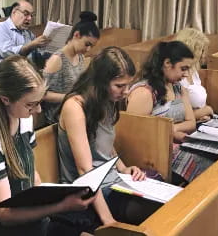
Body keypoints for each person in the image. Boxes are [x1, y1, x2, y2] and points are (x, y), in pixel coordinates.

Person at [0, 55, 96, 236]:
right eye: (30, 104)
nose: (38, 111)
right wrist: (61, 205)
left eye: (39, 102)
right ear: (5, 99)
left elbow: (33, 176)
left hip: (34, 225)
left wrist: (56, 197)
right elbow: (5, 215)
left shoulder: (23, 120)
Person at [58, 47, 159, 231]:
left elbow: (107, 148)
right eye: (120, 86)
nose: (126, 92)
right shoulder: (75, 106)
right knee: (153, 213)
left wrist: (124, 168)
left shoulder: (107, 101)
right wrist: (108, 221)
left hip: (112, 184)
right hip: (89, 194)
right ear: (100, 82)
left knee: (165, 203)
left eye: (128, 85)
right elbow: (85, 170)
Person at [126, 41, 214, 183]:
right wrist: (170, 132)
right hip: (155, 154)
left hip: (175, 142)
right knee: (205, 164)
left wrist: (171, 129)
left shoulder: (178, 88)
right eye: (183, 68)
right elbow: (135, 135)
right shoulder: (144, 92)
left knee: (215, 155)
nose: (186, 74)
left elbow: (191, 123)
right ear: (167, 63)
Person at [42, 11, 100, 124]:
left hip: (75, 109)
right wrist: (71, 97)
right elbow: (42, 94)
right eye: (87, 44)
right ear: (76, 35)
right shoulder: (57, 59)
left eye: (91, 46)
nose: (88, 49)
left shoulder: (80, 57)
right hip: (57, 116)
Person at [0, 0, 50, 77]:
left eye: (31, 15)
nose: (29, 18)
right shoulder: (0, 29)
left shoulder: (27, 33)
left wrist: (46, 48)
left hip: (22, 74)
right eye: (26, 14)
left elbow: (36, 56)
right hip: (1, 75)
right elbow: (9, 55)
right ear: (14, 12)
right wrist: (32, 45)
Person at [175, 28, 214, 121]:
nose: (203, 55)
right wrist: (207, 110)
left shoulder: (194, 69)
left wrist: (204, 114)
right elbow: (178, 115)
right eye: (201, 50)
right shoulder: (176, 74)